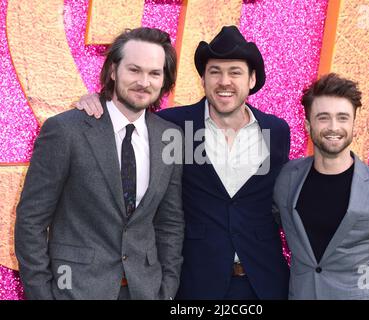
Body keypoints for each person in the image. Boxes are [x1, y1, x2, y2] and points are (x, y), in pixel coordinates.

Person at [76, 25, 290, 299]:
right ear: (203, 79)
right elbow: (125, 114)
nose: (224, 81)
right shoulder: (172, 126)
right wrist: (95, 100)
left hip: (263, 283)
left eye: (235, 72)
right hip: (195, 283)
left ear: (251, 79)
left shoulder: (276, 131)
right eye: (215, 72)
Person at [14, 27, 185, 300]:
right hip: (75, 290)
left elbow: (170, 223)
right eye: (134, 70)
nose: (144, 81)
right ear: (114, 71)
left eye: (154, 73)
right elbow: (31, 220)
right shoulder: (66, 130)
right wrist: (42, 294)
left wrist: (166, 288)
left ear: (164, 79)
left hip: (146, 290)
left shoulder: (170, 137)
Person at [273, 73, 369, 300]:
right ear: (307, 124)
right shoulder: (286, 179)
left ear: (353, 124)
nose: (333, 127)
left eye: (342, 118)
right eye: (323, 117)